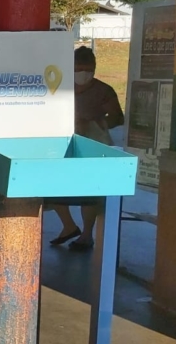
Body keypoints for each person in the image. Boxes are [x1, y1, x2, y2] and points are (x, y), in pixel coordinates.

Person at [49, 45, 124, 251]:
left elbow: (118, 117)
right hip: (63, 145)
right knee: (53, 185)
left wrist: (96, 122)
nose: (83, 73)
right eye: (79, 68)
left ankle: (86, 235)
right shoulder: (60, 87)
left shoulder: (103, 91)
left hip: (93, 146)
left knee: (90, 192)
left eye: (88, 69)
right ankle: (68, 225)